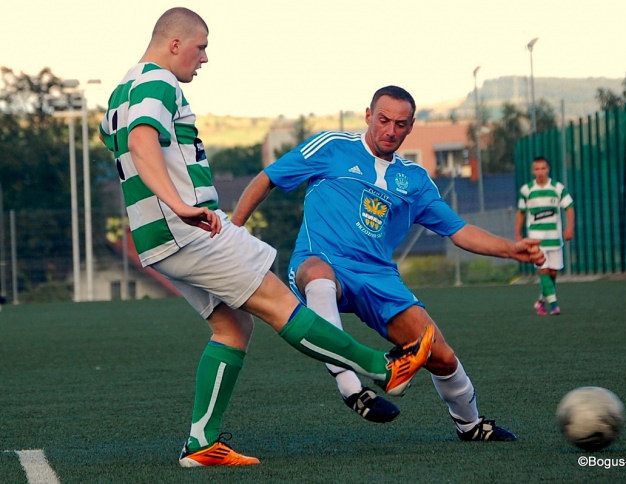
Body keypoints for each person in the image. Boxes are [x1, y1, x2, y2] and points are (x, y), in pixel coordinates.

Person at [98, 9, 434, 468]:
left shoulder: (120, 93)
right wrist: (180, 205)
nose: (205, 57)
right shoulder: (159, 82)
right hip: (190, 227)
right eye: (200, 47)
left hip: (157, 236)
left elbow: (133, 150)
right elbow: (141, 143)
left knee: (233, 326)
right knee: (279, 303)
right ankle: (382, 367)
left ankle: (201, 443)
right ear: (174, 44)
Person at [232, 85, 546, 440]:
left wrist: (511, 249)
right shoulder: (332, 146)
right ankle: (353, 390)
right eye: (383, 120)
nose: (390, 130)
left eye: (400, 124)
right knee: (317, 276)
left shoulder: (415, 181)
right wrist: (235, 230)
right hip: (321, 260)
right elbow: (268, 178)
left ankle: (470, 425)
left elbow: (458, 230)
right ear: (368, 116)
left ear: (411, 127)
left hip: (379, 278)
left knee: (439, 355)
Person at [514, 156, 575, 316]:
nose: (540, 172)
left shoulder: (558, 188)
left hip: (554, 238)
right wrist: (518, 233)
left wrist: (570, 228)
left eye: (543, 168)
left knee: (553, 273)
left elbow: (569, 207)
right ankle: (554, 305)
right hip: (536, 240)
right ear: (533, 171)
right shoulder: (526, 190)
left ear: (548, 169)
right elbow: (521, 212)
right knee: (544, 270)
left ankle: (541, 302)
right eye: (537, 169)